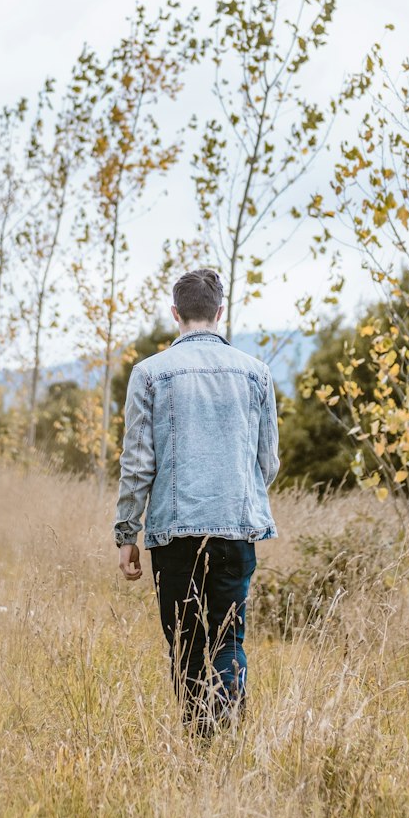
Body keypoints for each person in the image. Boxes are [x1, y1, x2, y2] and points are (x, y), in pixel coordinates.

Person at [114, 268, 280, 735]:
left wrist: (127, 533)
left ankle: (198, 738)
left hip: (173, 532)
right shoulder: (257, 374)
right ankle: (227, 734)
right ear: (220, 312)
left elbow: (137, 463)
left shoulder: (148, 374)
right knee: (229, 638)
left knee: (186, 641)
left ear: (175, 314)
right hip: (235, 527)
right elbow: (267, 463)